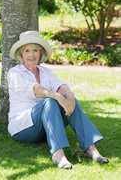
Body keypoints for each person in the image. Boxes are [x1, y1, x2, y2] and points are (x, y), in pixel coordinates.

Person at [7, 31, 109, 169]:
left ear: (40, 52)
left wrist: (70, 98)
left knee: (71, 100)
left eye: (35, 50)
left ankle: (91, 149)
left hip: (45, 126)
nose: (31, 55)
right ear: (21, 54)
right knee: (50, 101)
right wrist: (58, 97)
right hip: (24, 127)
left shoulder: (45, 72)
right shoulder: (15, 73)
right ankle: (58, 154)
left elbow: (62, 87)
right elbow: (37, 90)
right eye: (27, 50)